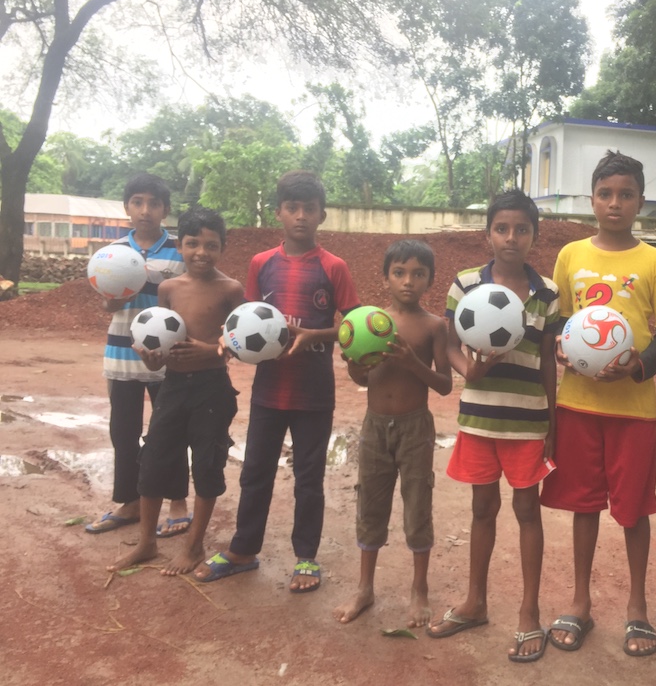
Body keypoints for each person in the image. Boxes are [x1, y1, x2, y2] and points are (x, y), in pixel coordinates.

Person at [540, 150, 656, 657]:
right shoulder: (571, 255)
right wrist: (562, 347)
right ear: (592, 200)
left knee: (633, 510)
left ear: (640, 201)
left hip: (633, 410)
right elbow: (560, 321)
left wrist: (637, 366)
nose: (615, 203)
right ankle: (580, 602)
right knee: (584, 505)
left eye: (625, 194)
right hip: (578, 405)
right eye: (605, 194)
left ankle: (636, 607)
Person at [194, 170, 360, 594]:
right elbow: (247, 320)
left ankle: (306, 556)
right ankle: (243, 550)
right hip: (269, 390)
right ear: (279, 213)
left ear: (322, 215)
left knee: (309, 478)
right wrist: (230, 341)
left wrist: (315, 335)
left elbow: (353, 328)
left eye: (309, 209)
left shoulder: (334, 267)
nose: (301, 216)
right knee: (255, 472)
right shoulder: (261, 264)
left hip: (314, 392)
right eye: (292, 208)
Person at [426, 190, 560, 664]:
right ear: (488, 234)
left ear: (534, 236)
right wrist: (470, 370)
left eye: (521, 229)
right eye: (501, 228)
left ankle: (529, 612)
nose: (511, 237)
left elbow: (548, 361)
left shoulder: (547, 293)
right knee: (482, 509)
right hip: (480, 419)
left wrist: (552, 422)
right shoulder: (465, 284)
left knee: (527, 511)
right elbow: (449, 344)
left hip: (527, 423)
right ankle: (475, 602)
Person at [107, 205, 243, 575]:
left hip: (212, 389)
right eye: (192, 243)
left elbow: (241, 342)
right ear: (179, 246)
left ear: (222, 248)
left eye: (211, 245)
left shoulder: (231, 289)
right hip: (172, 386)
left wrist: (211, 351)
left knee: (207, 465)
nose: (201, 252)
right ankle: (147, 543)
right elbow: (162, 344)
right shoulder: (168, 289)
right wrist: (154, 361)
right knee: (153, 460)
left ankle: (194, 546)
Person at [333, 240, 453, 627]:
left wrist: (411, 361)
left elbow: (445, 384)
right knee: (370, 504)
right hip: (374, 426)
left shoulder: (434, 326)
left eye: (418, 274)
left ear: (430, 280)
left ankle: (420, 589)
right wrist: (354, 366)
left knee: (418, 506)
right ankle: (364, 588)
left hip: (415, 427)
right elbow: (361, 378)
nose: (408, 281)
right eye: (399, 273)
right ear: (385, 277)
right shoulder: (368, 322)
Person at [87, 173, 190, 537]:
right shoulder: (111, 253)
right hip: (122, 353)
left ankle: (178, 502)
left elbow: (188, 297)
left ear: (165, 209)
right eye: (138, 202)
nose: (146, 210)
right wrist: (113, 301)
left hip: (167, 357)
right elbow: (106, 304)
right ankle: (129, 502)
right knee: (123, 431)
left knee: (171, 431)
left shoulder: (180, 250)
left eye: (154, 203)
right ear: (127, 207)